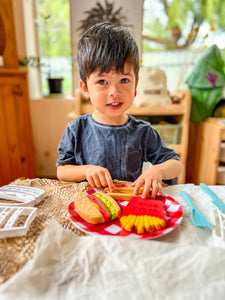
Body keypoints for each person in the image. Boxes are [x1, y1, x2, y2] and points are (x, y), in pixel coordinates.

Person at [56, 22, 182, 199]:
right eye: (102, 82)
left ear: (135, 85)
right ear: (85, 88)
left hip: (130, 207)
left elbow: (176, 164)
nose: (114, 92)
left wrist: (157, 171)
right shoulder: (76, 129)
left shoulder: (143, 132)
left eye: (124, 80)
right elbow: (62, 171)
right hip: (92, 206)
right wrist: (87, 170)